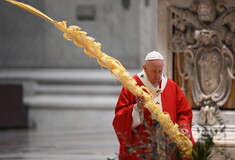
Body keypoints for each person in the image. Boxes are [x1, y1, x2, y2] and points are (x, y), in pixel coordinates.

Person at [112, 51, 194, 160]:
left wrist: (184, 128)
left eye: (160, 71)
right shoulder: (132, 85)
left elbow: (184, 113)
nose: (158, 76)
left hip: (167, 146)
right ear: (145, 68)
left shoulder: (171, 86)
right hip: (142, 147)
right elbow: (120, 117)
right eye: (154, 71)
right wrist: (137, 108)